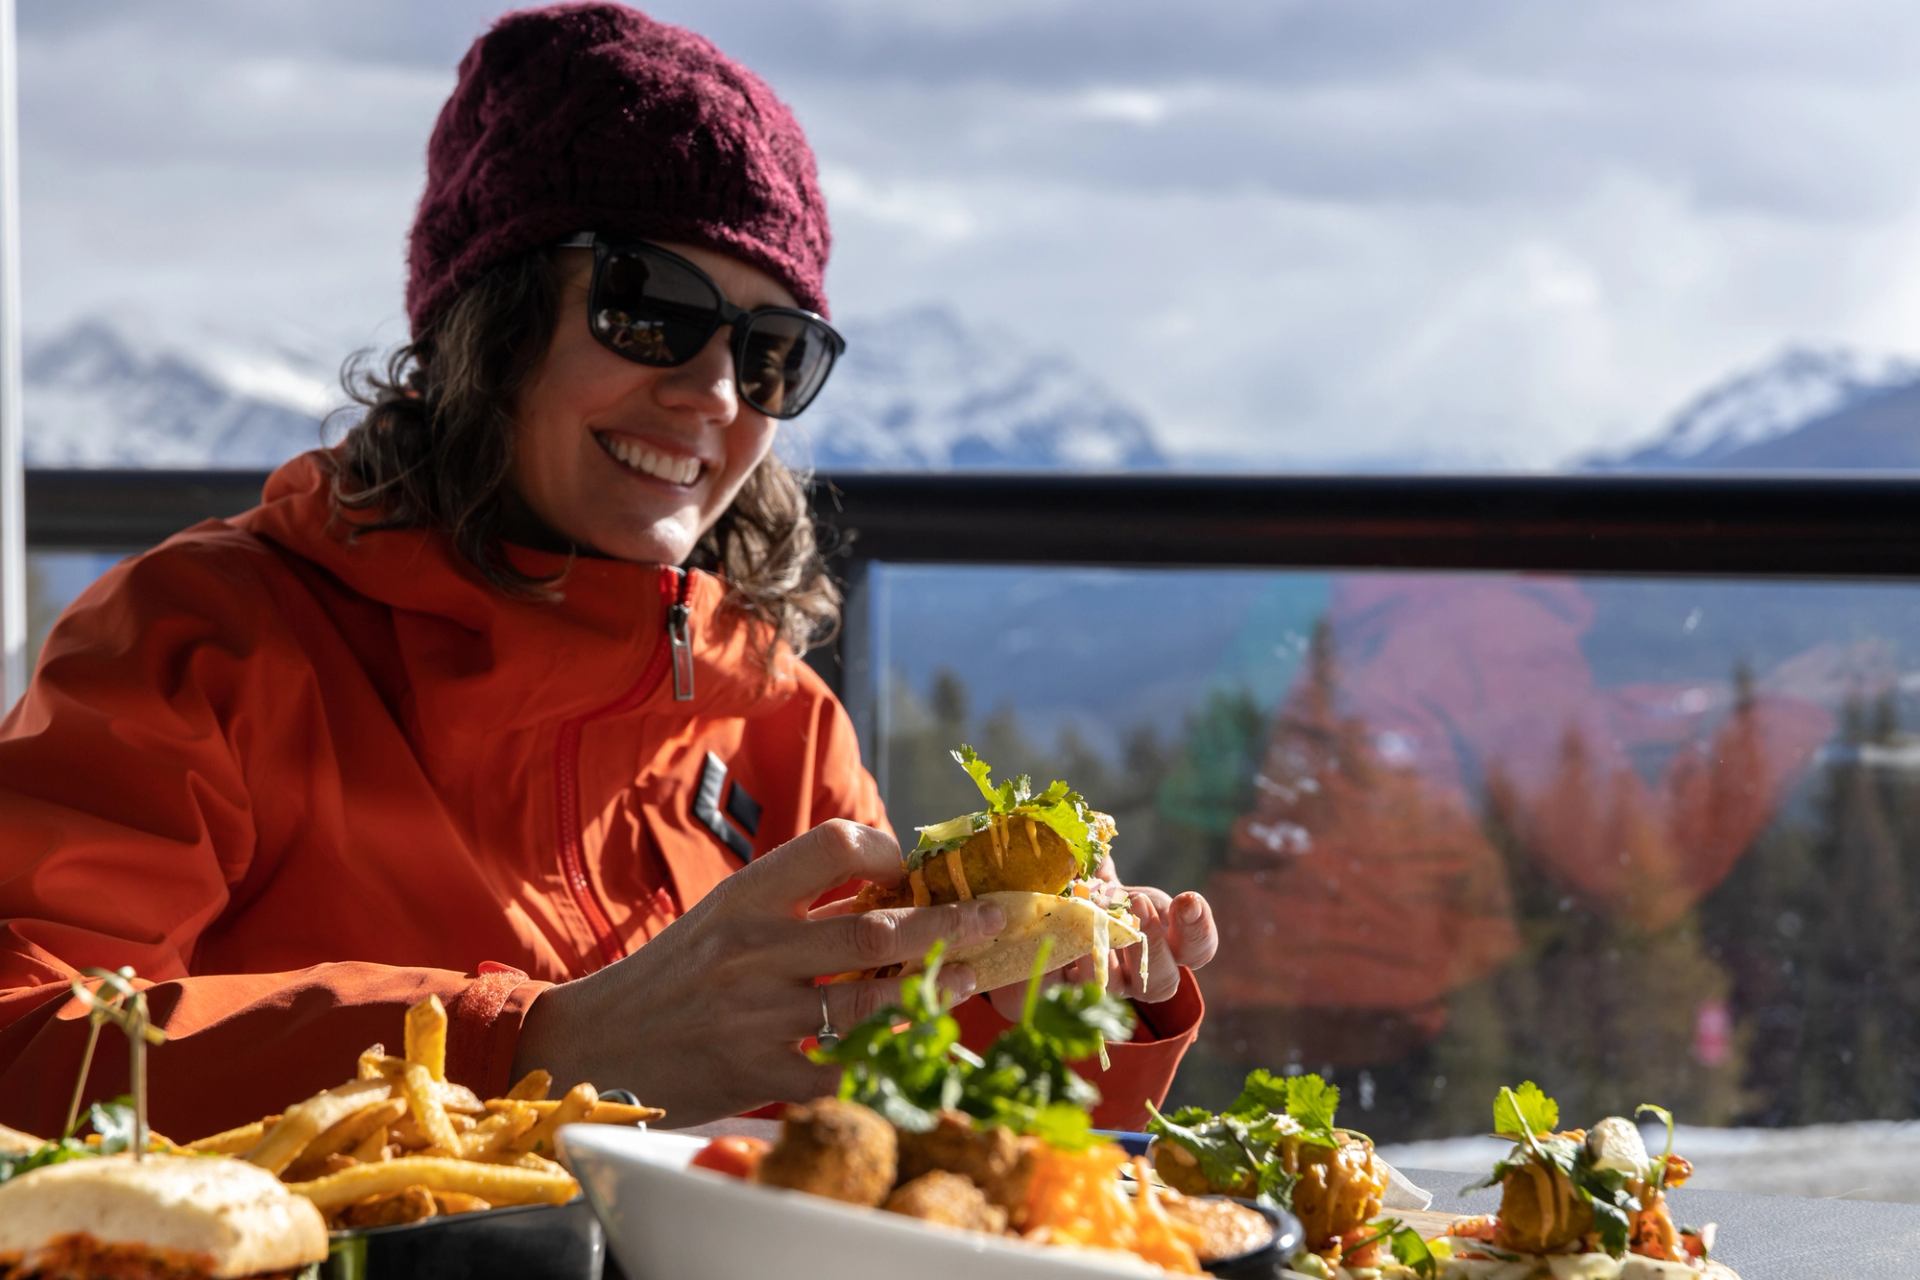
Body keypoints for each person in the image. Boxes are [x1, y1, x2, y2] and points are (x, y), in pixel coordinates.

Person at [0, 2, 1216, 1140]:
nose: (715, 392)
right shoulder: (202, 641)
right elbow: (21, 1043)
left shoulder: (781, 733)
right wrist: (540, 1045)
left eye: (774, 350)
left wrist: (1059, 1009)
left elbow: (892, 1130)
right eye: (651, 307)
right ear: (491, 322)